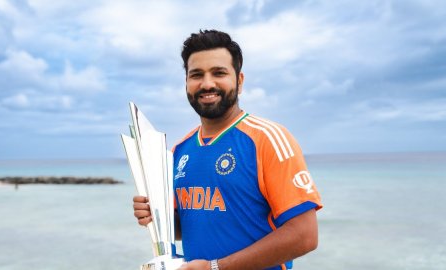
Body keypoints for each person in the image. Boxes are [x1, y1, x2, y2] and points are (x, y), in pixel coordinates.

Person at [133, 29, 322, 270]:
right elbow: (190, 226)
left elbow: (304, 236)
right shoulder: (179, 151)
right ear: (187, 83)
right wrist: (156, 216)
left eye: (219, 73)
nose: (207, 83)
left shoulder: (267, 139)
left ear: (239, 81)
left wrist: (215, 267)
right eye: (196, 75)